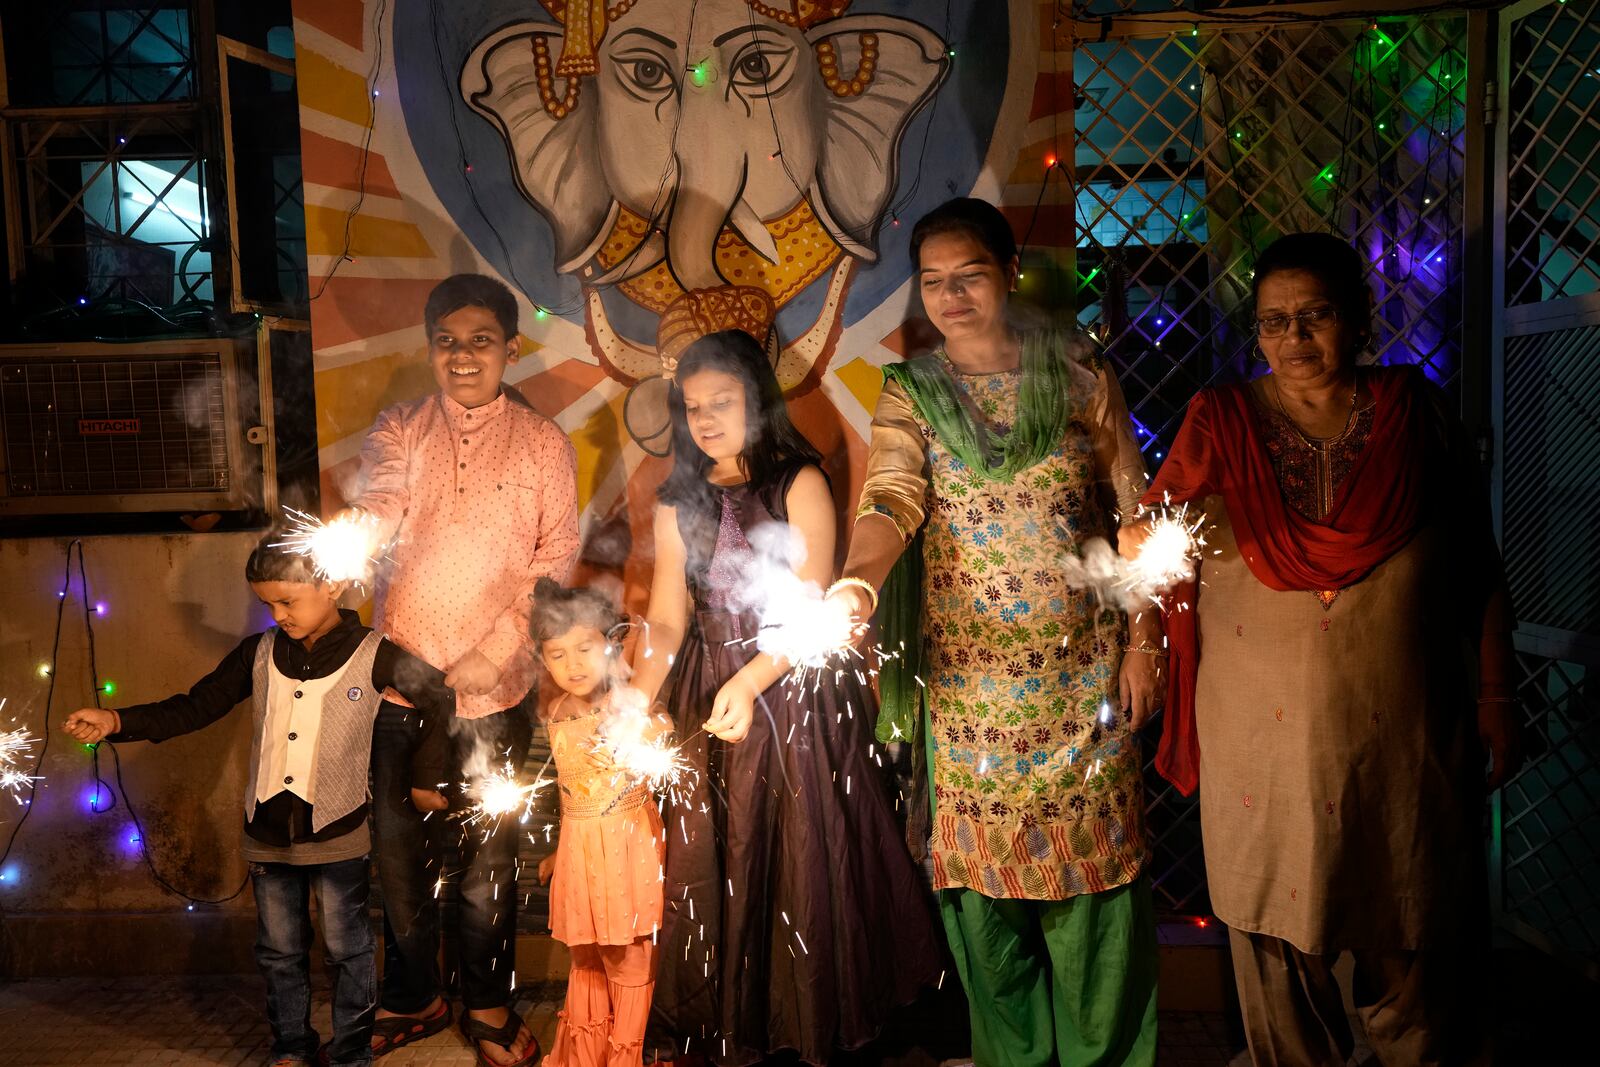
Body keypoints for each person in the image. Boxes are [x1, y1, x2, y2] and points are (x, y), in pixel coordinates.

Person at [1131, 231, 1523, 1066]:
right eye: (1273, 322)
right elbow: (1156, 552)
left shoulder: (1416, 415)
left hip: (1401, 740)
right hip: (1261, 746)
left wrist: (1496, 694)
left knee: (1411, 931)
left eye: (1314, 315)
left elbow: (1478, 567)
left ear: (1356, 318)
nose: (1294, 339)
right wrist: (1141, 564)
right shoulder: (1221, 419)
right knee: (1277, 943)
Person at [827, 197, 1161, 1066]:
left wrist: (1143, 641)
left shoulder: (1082, 376)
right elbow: (890, 501)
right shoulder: (913, 392)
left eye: (969, 275)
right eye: (932, 281)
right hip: (972, 697)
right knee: (986, 906)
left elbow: (1137, 518)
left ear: (1008, 272)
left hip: (1083, 682)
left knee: (1096, 909)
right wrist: (859, 579)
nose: (951, 296)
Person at [630, 328, 941, 1065]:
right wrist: (634, 702)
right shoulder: (678, 498)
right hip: (710, 687)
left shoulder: (799, 481)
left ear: (758, 402)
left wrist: (748, 678)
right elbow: (669, 616)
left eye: (723, 402)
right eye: (692, 405)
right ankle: (730, 1020)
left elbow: (810, 610)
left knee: (802, 857)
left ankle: (807, 1020)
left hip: (792, 691)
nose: (705, 419)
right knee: (716, 858)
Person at [62, 533, 453, 1067]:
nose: (278, 614)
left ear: (332, 584)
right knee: (278, 952)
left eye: (287, 601)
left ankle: (352, 1051)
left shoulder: (376, 654)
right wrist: (115, 721)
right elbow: (195, 707)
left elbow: (440, 695)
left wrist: (425, 778)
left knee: (347, 950)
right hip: (266, 833)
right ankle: (291, 1046)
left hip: (339, 834)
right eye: (267, 603)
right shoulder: (258, 651)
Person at [343, 273, 582, 1065]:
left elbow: (554, 561)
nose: (463, 355)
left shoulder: (545, 443)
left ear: (511, 348)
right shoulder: (401, 427)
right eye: (447, 341)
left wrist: (501, 643)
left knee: (485, 860)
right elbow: (378, 499)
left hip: (495, 683)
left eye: (481, 340)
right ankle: (414, 993)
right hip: (402, 678)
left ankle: (486, 1001)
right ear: (430, 348)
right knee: (397, 855)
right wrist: (354, 542)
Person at [529, 577, 666, 1067]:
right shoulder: (557, 711)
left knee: (628, 960)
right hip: (581, 856)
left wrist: (651, 729)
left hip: (630, 855)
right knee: (587, 960)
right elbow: (573, 797)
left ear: (611, 644)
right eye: (557, 654)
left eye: (584, 648)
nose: (573, 665)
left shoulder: (631, 705)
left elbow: (661, 749)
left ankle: (627, 1057)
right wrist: (558, 853)